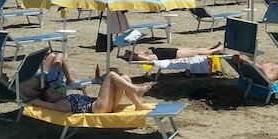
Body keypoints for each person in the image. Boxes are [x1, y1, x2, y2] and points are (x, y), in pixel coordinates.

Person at [25, 69, 155, 114]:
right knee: (110, 75)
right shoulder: (59, 105)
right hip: (98, 107)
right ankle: (136, 90)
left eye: (54, 91)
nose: (56, 92)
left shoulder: (63, 99)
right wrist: (30, 99)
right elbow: (39, 103)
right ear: (49, 100)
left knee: (124, 78)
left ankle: (138, 104)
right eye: (52, 94)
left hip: (104, 105)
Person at [120, 41, 223, 63]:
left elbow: (147, 51)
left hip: (175, 50)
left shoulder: (148, 53)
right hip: (175, 54)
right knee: (196, 52)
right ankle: (215, 50)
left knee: (194, 49)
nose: (139, 51)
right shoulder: (150, 58)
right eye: (137, 53)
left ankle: (211, 47)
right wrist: (139, 55)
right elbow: (147, 59)